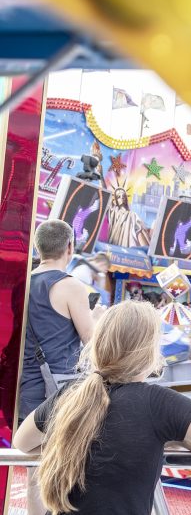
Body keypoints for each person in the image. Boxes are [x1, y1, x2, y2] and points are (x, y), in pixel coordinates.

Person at [13, 300, 191, 515]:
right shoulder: (156, 404)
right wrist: (182, 440)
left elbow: (23, 442)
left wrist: (71, 433)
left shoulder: (71, 394)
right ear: (150, 352)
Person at [20, 220, 107, 515]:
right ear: (70, 247)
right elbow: (90, 340)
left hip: (25, 386)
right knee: (65, 463)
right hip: (59, 390)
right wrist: (96, 316)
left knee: (34, 466)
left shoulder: (24, 282)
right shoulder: (70, 285)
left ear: (38, 247)